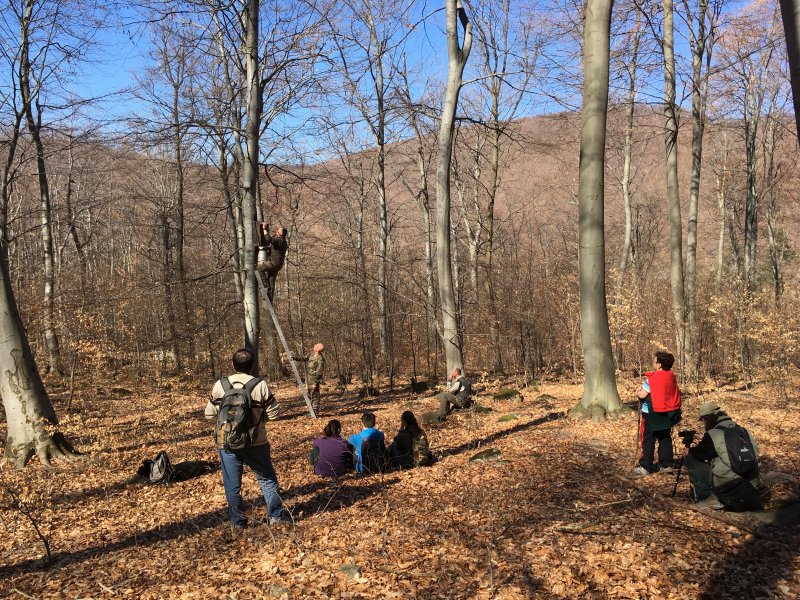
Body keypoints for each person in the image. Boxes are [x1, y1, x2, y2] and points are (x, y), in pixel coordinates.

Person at [204, 348, 287, 528]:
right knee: (267, 479)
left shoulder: (220, 385)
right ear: (252, 365)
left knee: (232, 485)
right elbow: (274, 414)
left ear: (233, 364)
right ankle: (276, 517)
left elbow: (210, 415)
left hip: (227, 443)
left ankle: (238, 522)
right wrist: (257, 421)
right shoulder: (260, 385)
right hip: (256, 442)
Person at [682, 402, 762, 511]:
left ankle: (708, 496)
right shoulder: (742, 430)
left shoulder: (714, 434)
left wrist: (689, 450)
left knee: (690, 456)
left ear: (707, 418)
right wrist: (705, 438)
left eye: (703, 420)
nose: (703, 423)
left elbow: (699, 453)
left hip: (729, 486)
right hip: (752, 482)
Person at [632, 351, 682, 477]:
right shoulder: (671, 375)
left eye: (654, 361)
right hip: (667, 413)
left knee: (648, 438)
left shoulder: (652, 379)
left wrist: (638, 391)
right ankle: (666, 464)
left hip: (652, 414)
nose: (653, 363)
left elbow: (643, 394)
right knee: (664, 437)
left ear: (659, 364)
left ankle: (645, 466)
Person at [256, 223, 288, 302]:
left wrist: (264, 229)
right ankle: (270, 298)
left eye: (278, 231)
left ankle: (265, 286)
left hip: (274, 263)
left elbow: (269, 239)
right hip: (278, 264)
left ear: (281, 233)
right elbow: (272, 242)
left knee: (259, 268)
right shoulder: (281, 241)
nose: (277, 231)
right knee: (271, 279)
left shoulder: (280, 240)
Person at [293, 343, 325, 415]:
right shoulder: (311, 355)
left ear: (317, 349)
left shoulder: (320, 360)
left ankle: (315, 412)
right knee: (309, 394)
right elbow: (304, 358)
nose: (314, 346)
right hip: (308, 378)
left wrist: (315, 383)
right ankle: (312, 412)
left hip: (314, 379)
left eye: (315, 346)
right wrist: (294, 358)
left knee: (315, 395)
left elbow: (319, 373)